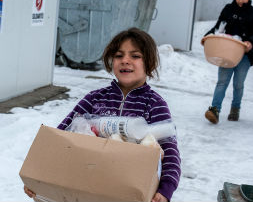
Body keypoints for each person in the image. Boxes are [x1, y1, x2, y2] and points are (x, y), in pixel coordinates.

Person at [24, 28, 181, 202]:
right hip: (88, 187)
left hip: (130, 191)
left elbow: (170, 152)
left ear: (149, 62)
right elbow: (60, 138)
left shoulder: (154, 104)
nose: (125, 61)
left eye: (135, 56)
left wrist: (166, 190)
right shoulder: (94, 99)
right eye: (119, 55)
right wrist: (38, 174)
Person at [204, 0, 253, 124]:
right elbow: (219, 26)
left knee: (238, 83)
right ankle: (214, 110)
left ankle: (235, 108)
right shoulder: (228, 9)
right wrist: (209, 35)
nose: (240, 0)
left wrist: (250, 41)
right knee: (222, 82)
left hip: (245, 54)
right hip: (227, 51)